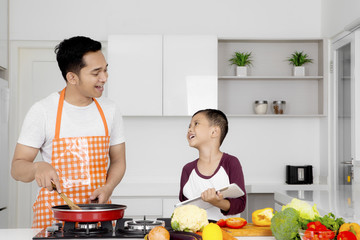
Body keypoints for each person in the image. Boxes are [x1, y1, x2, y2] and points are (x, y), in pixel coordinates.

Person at [11, 36, 126, 228]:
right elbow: (16, 168)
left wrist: (108, 187)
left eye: (105, 70)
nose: (104, 78)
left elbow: (119, 160)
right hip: (53, 219)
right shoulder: (43, 111)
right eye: (96, 72)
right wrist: (36, 167)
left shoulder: (110, 110)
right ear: (72, 77)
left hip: (97, 217)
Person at [179, 109, 246, 220]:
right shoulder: (187, 170)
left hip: (226, 234)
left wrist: (217, 202)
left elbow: (240, 204)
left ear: (214, 132)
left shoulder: (231, 163)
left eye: (196, 124)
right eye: (189, 126)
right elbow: (185, 208)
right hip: (198, 234)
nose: (190, 129)